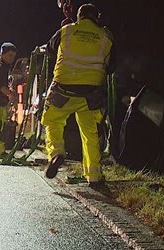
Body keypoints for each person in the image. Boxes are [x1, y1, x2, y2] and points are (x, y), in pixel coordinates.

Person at [41, 3, 116, 186]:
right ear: (96, 17)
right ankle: (94, 177)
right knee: (90, 132)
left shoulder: (66, 30)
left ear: (79, 17)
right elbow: (112, 66)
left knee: (52, 121)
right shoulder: (106, 36)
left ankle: (57, 153)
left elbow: (50, 50)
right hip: (90, 94)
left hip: (62, 89)